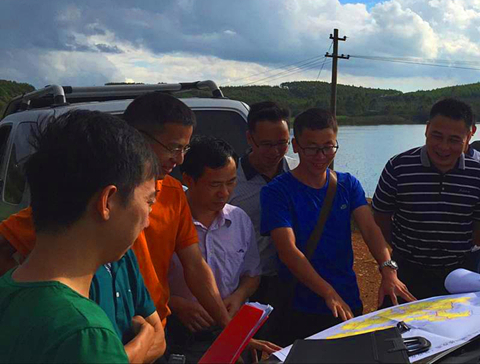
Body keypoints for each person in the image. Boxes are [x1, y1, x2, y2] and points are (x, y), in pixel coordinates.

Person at [0, 92, 232, 331]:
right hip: (99, 329)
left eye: (185, 148)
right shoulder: (88, 198)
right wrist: (34, 306)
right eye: (173, 147)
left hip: (155, 329)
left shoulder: (173, 192)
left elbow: (194, 264)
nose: (180, 159)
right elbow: (6, 246)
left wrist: (227, 326)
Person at [0, 110, 158, 362]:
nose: (147, 221)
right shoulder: (86, 335)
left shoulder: (8, 292)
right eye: (148, 202)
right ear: (107, 202)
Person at [262, 108, 414, 345]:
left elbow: (370, 229)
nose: (321, 155)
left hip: (346, 300)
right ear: (296, 146)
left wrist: (388, 269)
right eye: (312, 148)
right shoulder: (276, 192)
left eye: (328, 147)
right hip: (299, 306)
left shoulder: (347, 184)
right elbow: (288, 251)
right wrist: (328, 292)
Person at [167, 136, 280, 361]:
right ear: (188, 179)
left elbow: (252, 275)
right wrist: (175, 304)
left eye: (231, 183)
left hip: (232, 332)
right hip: (180, 335)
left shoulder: (239, 220)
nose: (224, 193)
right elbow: (143, 282)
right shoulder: (166, 221)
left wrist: (239, 296)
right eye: (215, 185)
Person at [373, 98, 480, 300]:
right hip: (407, 270)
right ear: (427, 129)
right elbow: (381, 215)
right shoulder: (398, 167)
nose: (444, 147)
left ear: (469, 136)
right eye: (437, 136)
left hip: (459, 273)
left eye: (454, 140)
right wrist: (400, 246)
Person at [229, 101, 297, 305]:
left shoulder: (299, 172)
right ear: (250, 138)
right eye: (267, 144)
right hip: (246, 283)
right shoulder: (230, 180)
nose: (275, 152)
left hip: (297, 278)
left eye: (282, 143)